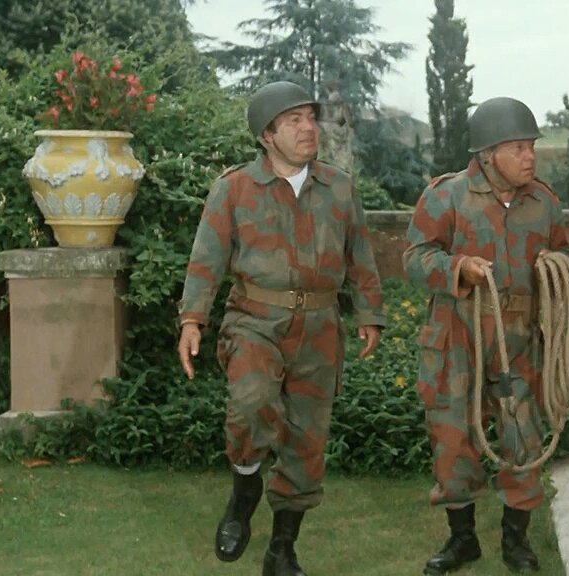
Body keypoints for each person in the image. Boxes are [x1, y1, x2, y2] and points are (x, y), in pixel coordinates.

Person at [176, 80, 385, 576]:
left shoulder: (339, 188)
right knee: (250, 404)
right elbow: (206, 258)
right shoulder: (234, 189)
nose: (309, 128)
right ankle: (244, 489)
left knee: (306, 440)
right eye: (294, 121)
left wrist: (370, 313)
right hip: (255, 320)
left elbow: (360, 256)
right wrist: (192, 319)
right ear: (266, 136)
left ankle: (282, 548)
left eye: (310, 118)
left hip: (320, 327)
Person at [403, 97, 569, 575]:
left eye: (531, 146)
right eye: (518, 148)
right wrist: (458, 267)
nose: (529, 156)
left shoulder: (543, 203)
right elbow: (414, 259)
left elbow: (567, 254)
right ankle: (462, 540)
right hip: (457, 335)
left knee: (524, 438)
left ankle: (516, 541)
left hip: (518, 340)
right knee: (453, 438)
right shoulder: (447, 197)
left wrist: (556, 266)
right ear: (487, 154)